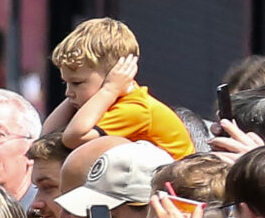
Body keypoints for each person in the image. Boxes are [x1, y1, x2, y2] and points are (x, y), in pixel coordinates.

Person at [39, 18, 194, 157]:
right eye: (66, 82)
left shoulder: (135, 108)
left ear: (115, 75)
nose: (68, 92)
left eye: (77, 83)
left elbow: (73, 138)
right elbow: (47, 138)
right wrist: (75, 98)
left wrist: (109, 89)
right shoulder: (100, 105)